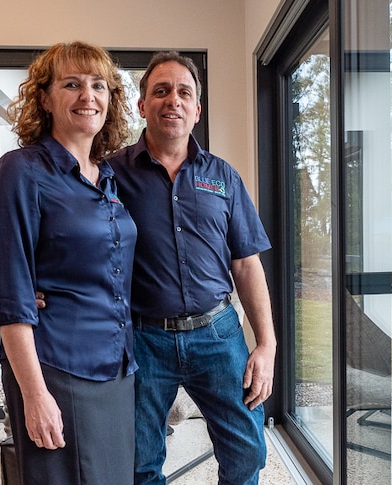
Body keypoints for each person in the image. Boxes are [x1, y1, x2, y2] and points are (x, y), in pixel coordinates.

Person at [108, 51, 277, 485]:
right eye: (160, 91)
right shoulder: (111, 176)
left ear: (197, 110)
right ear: (142, 105)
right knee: (140, 462)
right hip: (144, 338)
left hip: (218, 334)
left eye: (184, 92)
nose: (173, 101)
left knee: (247, 452)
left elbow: (246, 263)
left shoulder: (223, 177)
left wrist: (267, 344)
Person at [0, 41, 137, 485]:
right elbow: (10, 292)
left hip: (117, 366)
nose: (87, 96)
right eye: (71, 84)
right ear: (45, 98)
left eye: (99, 86)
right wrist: (35, 395)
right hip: (56, 366)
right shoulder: (21, 172)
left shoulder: (108, 177)